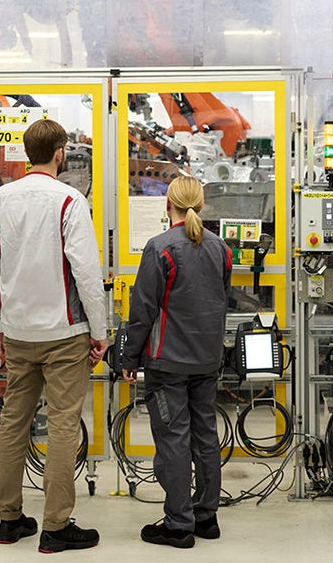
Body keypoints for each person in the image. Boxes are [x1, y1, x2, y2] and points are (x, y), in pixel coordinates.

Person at [0, 118, 108, 554]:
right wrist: (100, 331)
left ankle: (9, 519)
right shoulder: (71, 201)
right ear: (60, 153)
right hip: (65, 331)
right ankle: (55, 526)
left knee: (13, 421)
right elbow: (87, 273)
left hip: (16, 331)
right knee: (62, 424)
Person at [120, 175, 232, 549]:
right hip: (206, 360)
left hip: (167, 362)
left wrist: (128, 356)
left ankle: (178, 525)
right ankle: (207, 516)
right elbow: (221, 300)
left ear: (167, 203)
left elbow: (143, 311)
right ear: (200, 204)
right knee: (205, 436)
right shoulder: (222, 249)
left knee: (173, 439)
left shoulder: (160, 247)